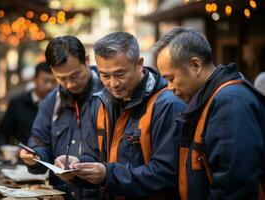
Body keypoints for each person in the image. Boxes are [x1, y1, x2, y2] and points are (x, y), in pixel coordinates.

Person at [55, 32, 186, 199]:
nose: (113, 84)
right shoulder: (101, 102)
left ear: (139, 64)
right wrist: (76, 167)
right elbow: (93, 156)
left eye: (120, 74)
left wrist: (108, 174)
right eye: (105, 75)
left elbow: (165, 174)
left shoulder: (168, 105)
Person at [154, 27, 265, 200]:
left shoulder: (230, 103)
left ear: (195, 65)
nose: (170, 88)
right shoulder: (211, 99)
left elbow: (234, 188)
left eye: (171, 78)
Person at [19, 35, 103, 200]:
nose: (70, 84)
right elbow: (39, 141)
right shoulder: (51, 101)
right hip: (59, 194)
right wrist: (35, 157)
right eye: (61, 78)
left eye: (75, 75)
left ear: (86, 61)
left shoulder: (107, 96)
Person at [0, 61, 56, 147]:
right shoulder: (17, 103)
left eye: (54, 81)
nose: (49, 86)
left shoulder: (61, 105)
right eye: (45, 81)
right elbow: (2, 135)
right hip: (21, 156)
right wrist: (9, 151)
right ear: (34, 79)